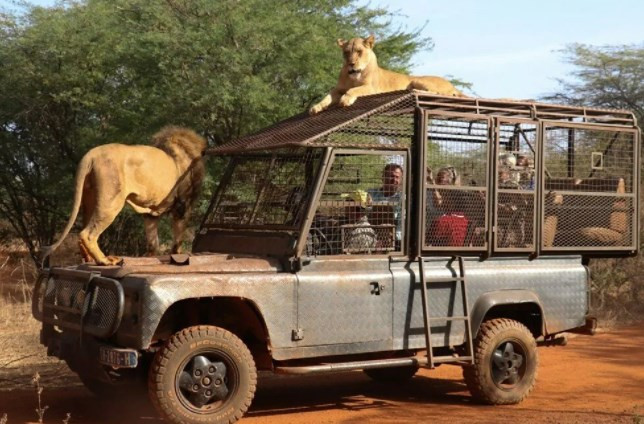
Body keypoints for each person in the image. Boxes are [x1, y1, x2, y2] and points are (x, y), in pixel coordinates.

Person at [368, 163, 404, 244]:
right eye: (391, 176)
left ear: (400, 180)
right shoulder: (371, 193)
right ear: (383, 178)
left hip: (391, 237)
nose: (393, 179)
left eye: (397, 177)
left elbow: (401, 222)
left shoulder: (402, 198)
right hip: (370, 233)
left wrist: (397, 239)